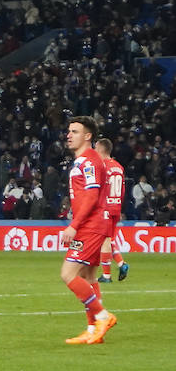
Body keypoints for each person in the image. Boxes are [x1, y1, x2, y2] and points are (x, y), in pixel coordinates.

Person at [60, 117, 118, 344]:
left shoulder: (90, 161)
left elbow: (92, 196)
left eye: (74, 131)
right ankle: (93, 330)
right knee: (88, 275)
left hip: (90, 226)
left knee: (68, 274)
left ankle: (103, 316)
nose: (69, 135)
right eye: (69, 131)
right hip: (92, 224)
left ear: (88, 136)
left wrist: (74, 225)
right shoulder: (83, 161)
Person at [94, 138, 129, 283]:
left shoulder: (102, 167)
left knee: (105, 240)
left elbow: (98, 188)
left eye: (96, 148)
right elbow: (122, 190)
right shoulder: (119, 167)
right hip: (116, 206)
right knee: (108, 239)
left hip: (105, 207)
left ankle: (107, 276)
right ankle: (121, 263)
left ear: (101, 149)